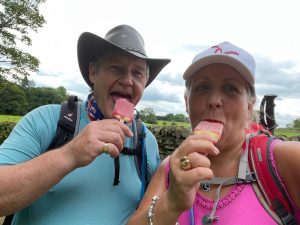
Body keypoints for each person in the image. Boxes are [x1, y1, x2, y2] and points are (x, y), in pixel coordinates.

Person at [0, 24, 170, 225]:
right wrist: (69, 154)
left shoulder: (145, 141)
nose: (128, 80)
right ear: (93, 73)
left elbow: (149, 212)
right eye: (116, 68)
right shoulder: (47, 120)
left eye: (138, 73)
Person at [126, 41, 300, 225]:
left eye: (230, 88)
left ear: (249, 106)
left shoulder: (284, 160)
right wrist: (171, 203)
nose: (214, 100)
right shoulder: (171, 169)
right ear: (186, 102)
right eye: (202, 87)